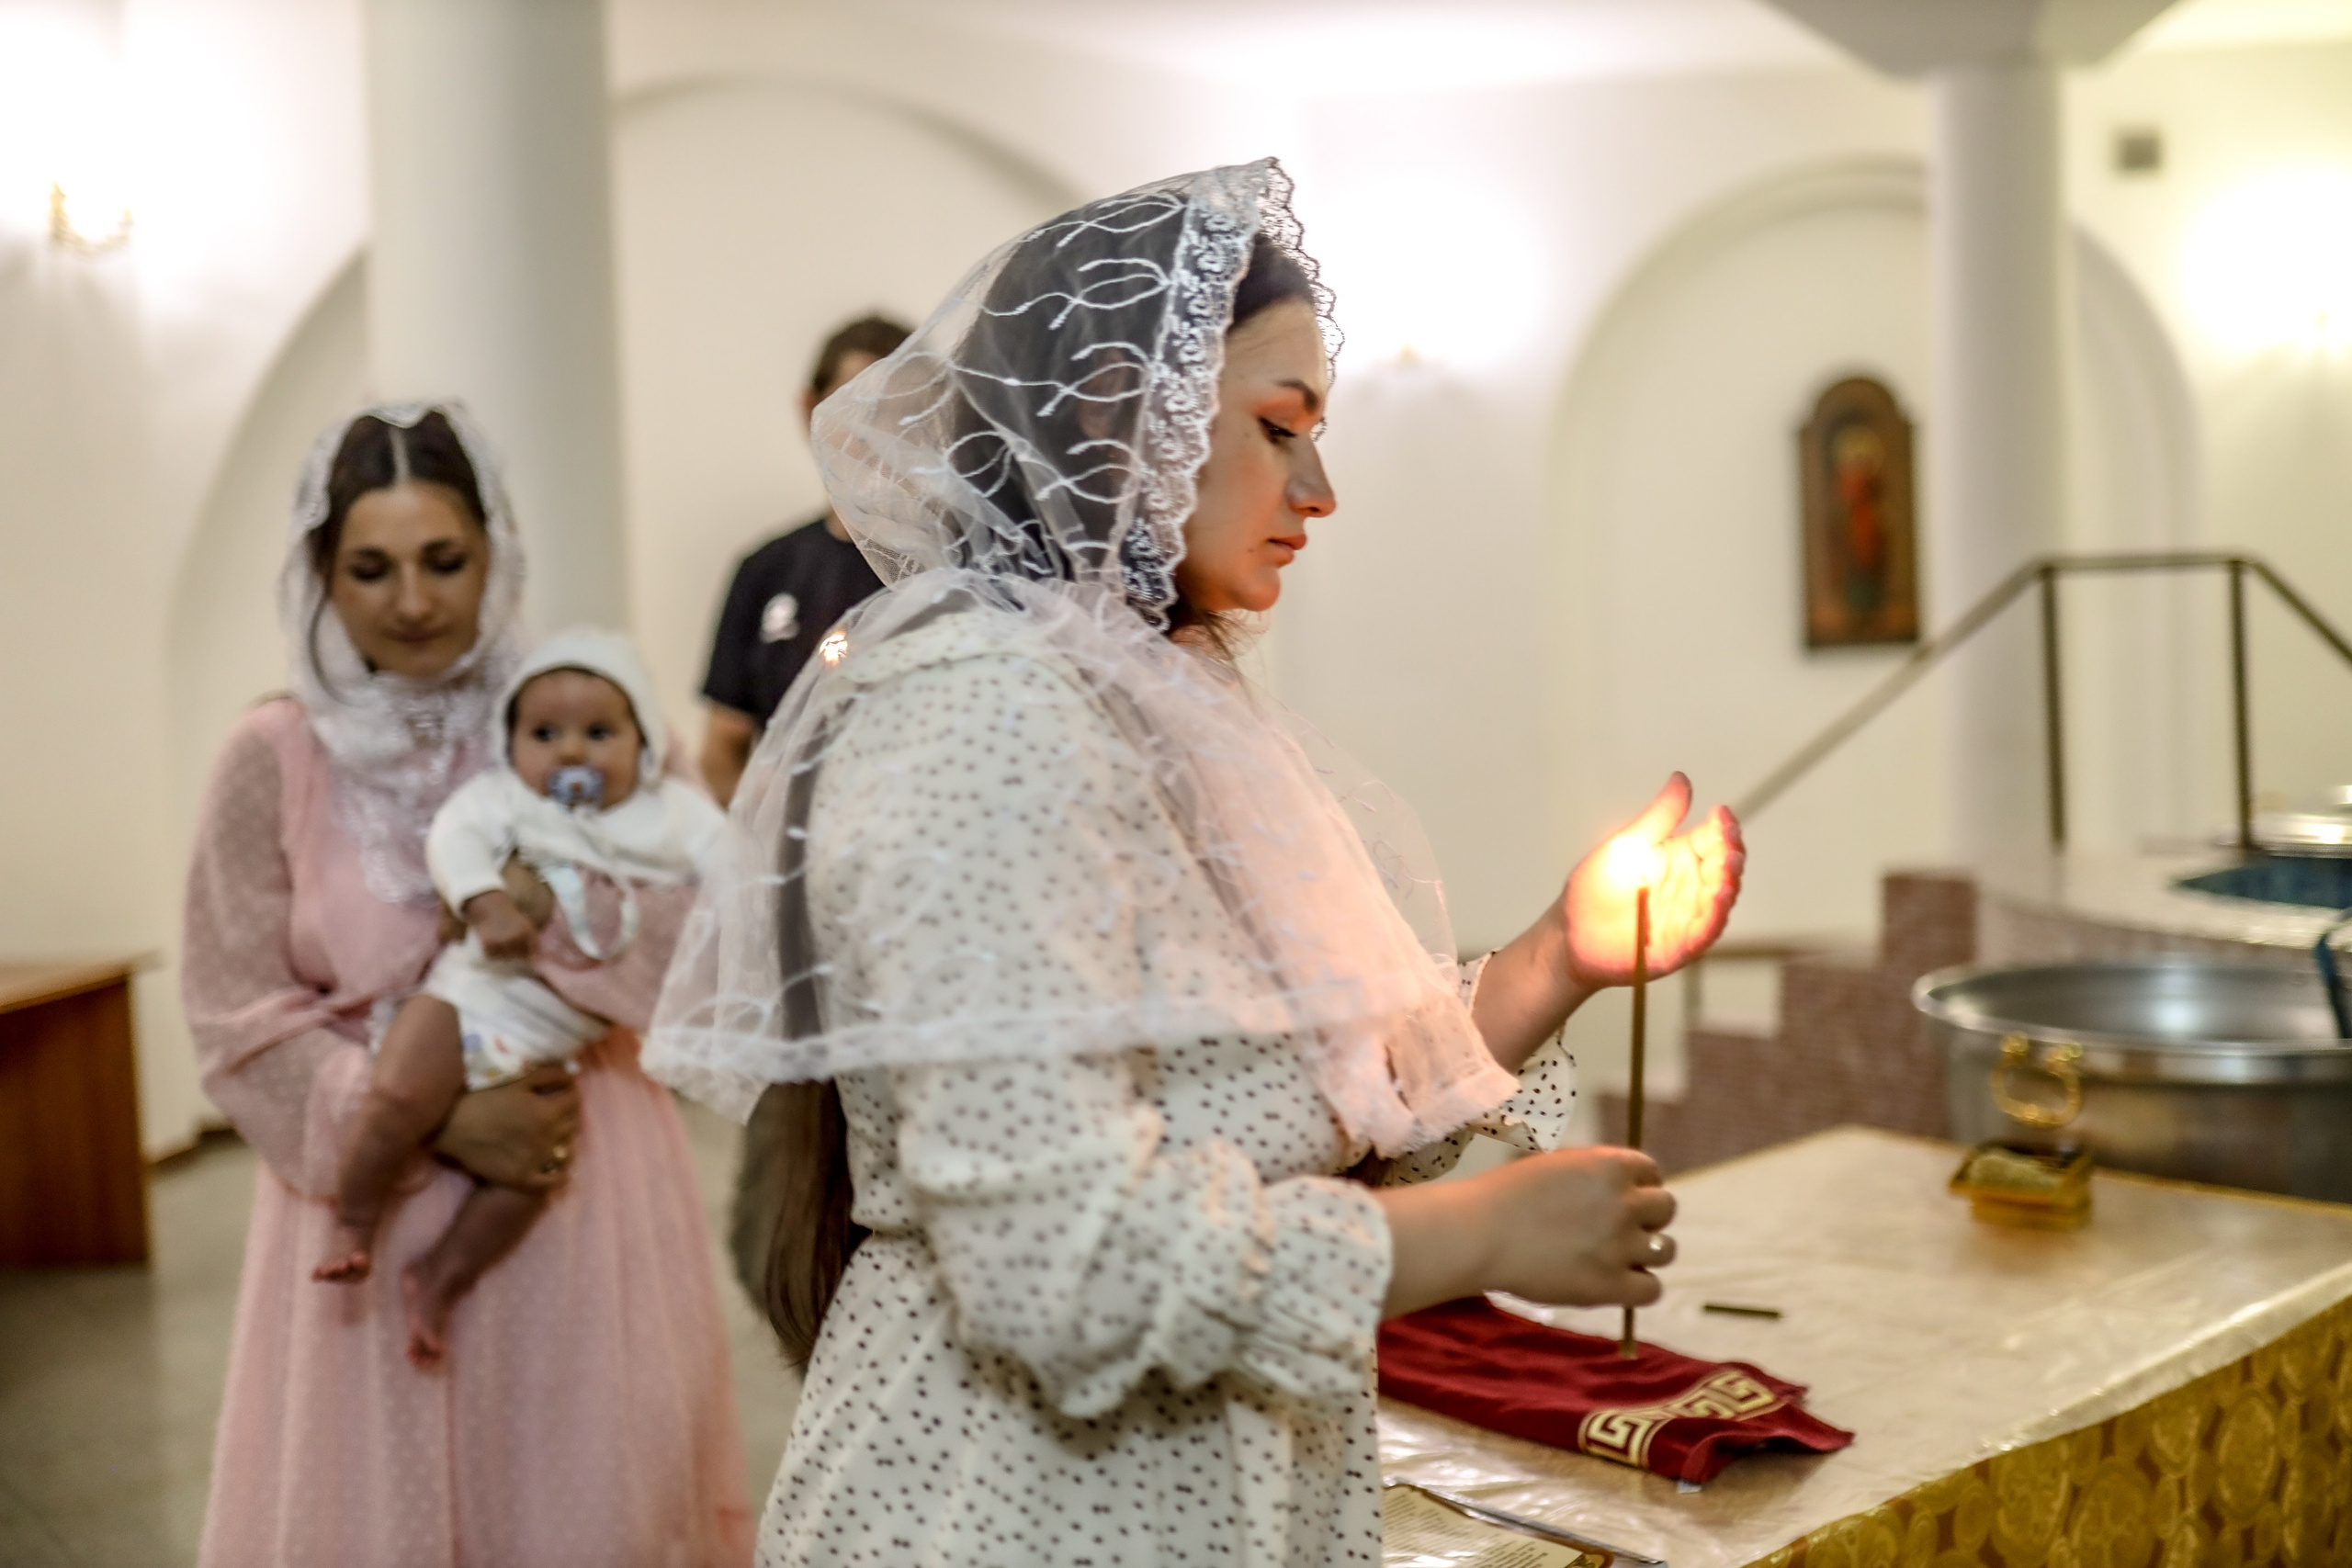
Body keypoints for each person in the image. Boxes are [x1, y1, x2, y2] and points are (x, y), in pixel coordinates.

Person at [646, 163, 1744, 1566]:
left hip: (1221, 1481)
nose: (1321, 486)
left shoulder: (1173, 694)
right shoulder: (981, 708)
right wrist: (1478, 1234)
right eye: (1279, 426)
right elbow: (1057, 1259)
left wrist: (1561, 955)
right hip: (1021, 1502)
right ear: (1119, 416)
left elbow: (1304, 1111)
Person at [184, 403, 752, 1568]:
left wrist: (551, 924)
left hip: (574, 1170)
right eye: (370, 569)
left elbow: (708, 946)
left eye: (445, 561)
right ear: (319, 576)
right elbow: (232, 1007)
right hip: (358, 1197)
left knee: (589, 1510)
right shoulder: (273, 751)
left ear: (496, 556)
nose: (411, 602)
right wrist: (427, 1115)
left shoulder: (587, 718)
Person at [316, 627, 728, 1371]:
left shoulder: (670, 814)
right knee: (397, 1092)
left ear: (643, 741)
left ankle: (441, 1275)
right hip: (469, 996)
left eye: (599, 732)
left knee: (526, 1177)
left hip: (548, 1040)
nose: (571, 752)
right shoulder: (505, 798)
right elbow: (454, 839)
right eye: (545, 733)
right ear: (513, 743)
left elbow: (735, 872)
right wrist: (484, 902)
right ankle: (354, 1218)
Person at [698, 314, 912, 806]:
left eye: (894, 410)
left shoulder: (948, 566)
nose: (873, 433)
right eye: (855, 407)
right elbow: (721, 751)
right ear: (809, 410)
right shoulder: (765, 570)